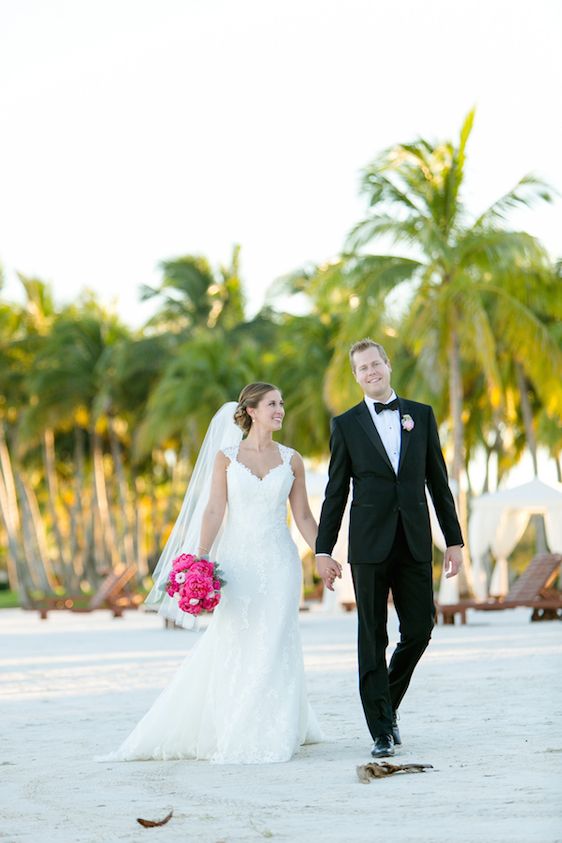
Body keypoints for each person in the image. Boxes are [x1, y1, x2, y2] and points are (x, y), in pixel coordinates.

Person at [101, 383, 326, 764]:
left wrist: (322, 553)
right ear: (251, 411)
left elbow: (303, 516)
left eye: (282, 403)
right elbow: (213, 511)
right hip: (237, 563)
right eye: (272, 403)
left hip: (280, 563)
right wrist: (199, 560)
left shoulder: (293, 460)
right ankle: (234, 721)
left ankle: (277, 725)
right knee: (236, 640)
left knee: (277, 639)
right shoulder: (226, 458)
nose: (280, 410)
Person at [315, 339, 463, 759]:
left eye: (375, 363)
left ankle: (386, 705)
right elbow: (335, 491)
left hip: (415, 540)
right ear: (356, 376)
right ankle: (381, 730)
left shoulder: (421, 415)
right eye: (362, 368)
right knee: (372, 635)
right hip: (368, 545)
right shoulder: (345, 425)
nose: (371, 372)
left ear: (387, 365)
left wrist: (454, 540)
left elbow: (438, 481)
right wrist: (324, 550)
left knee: (420, 629)